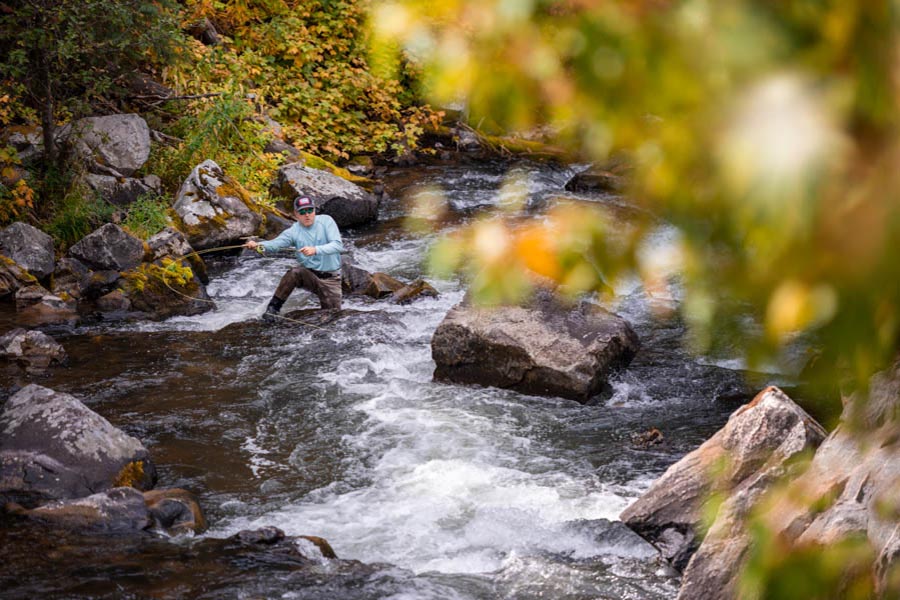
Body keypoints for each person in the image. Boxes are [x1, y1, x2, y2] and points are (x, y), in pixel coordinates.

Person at [244, 196, 344, 319]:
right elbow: (275, 245)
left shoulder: (326, 221)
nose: (307, 215)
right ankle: (272, 309)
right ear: (296, 214)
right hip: (309, 275)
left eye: (310, 210)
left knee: (333, 316)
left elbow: (338, 246)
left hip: (331, 279)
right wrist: (258, 245)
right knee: (294, 273)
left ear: (314, 211)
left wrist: (315, 250)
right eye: (302, 212)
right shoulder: (293, 231)